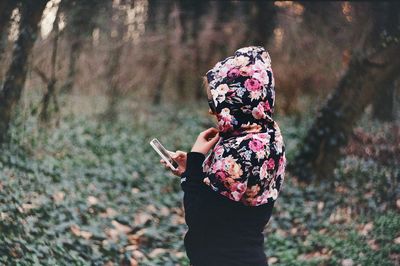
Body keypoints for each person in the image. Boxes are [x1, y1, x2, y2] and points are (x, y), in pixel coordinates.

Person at [161, 46, 286, 266]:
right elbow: (228, 208)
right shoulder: (268, 135)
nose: (211, 111)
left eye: (216, 103)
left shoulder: (236, 153)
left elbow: (199, 219)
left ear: (236, 101)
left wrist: (197, 159)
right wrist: (191, 169)